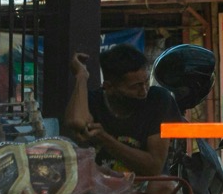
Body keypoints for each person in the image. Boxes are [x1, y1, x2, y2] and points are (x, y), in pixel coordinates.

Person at [64, 42, 181, 176]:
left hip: (146, 181)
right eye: (135, 86)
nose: (143, 91)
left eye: (146, 82)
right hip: (102, 182)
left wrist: (106, 140)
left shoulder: (158, 100)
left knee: (161, 186)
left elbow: (154, 167)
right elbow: (77, 122)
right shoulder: (94, 101)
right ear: (109, 87)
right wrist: (81, 76)